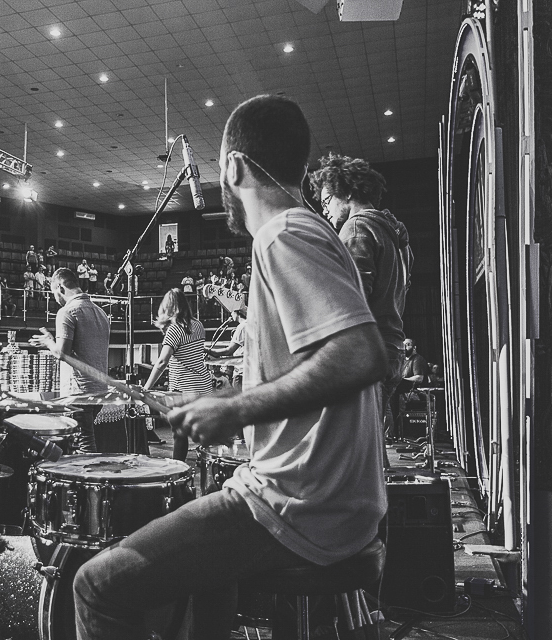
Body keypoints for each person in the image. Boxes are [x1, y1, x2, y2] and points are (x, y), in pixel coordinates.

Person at [72, 95, 387, 639]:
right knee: (199, 571)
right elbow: (313, 365)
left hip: (298, 507)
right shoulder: (312, 231)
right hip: (332, 504)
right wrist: (223, 399)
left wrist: (238, 408)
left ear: (235, 167)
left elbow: (359, 354)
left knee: (97, 585)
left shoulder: (283, 233)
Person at [312, 153, 413, 444]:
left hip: (366, 357)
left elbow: (353, 305)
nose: (325, 211)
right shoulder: (392, 232)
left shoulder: (356, 228)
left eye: (327, 200)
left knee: (347, 450)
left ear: (346, 191)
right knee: (367, 449)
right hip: (391, 349)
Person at [30, 268, 110, 452]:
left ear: (60, 286)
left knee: (85, 446)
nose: (54, 298)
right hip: (99, 390)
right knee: (84, 441)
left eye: (53, 293)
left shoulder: (67, 311)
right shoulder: (101, 312)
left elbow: (61, 353)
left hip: (78, 392)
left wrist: (48, 341)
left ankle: (89, 479)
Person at [142, 289, 212, 462]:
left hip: (183, 391)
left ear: (168, 307)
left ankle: (177, 471)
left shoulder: (175, 329)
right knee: (203, 434)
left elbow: (161, 362)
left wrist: (145, 389)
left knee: (179, 435)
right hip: (203, 387)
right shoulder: (198, 325)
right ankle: (207, 473)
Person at [205, 306, 247, 388]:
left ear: (236, 312)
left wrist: (208, 350)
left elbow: (229, 351)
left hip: (241, 373)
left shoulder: (242, 327)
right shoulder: (251, 324)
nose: (230, 314)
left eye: (231, 312)